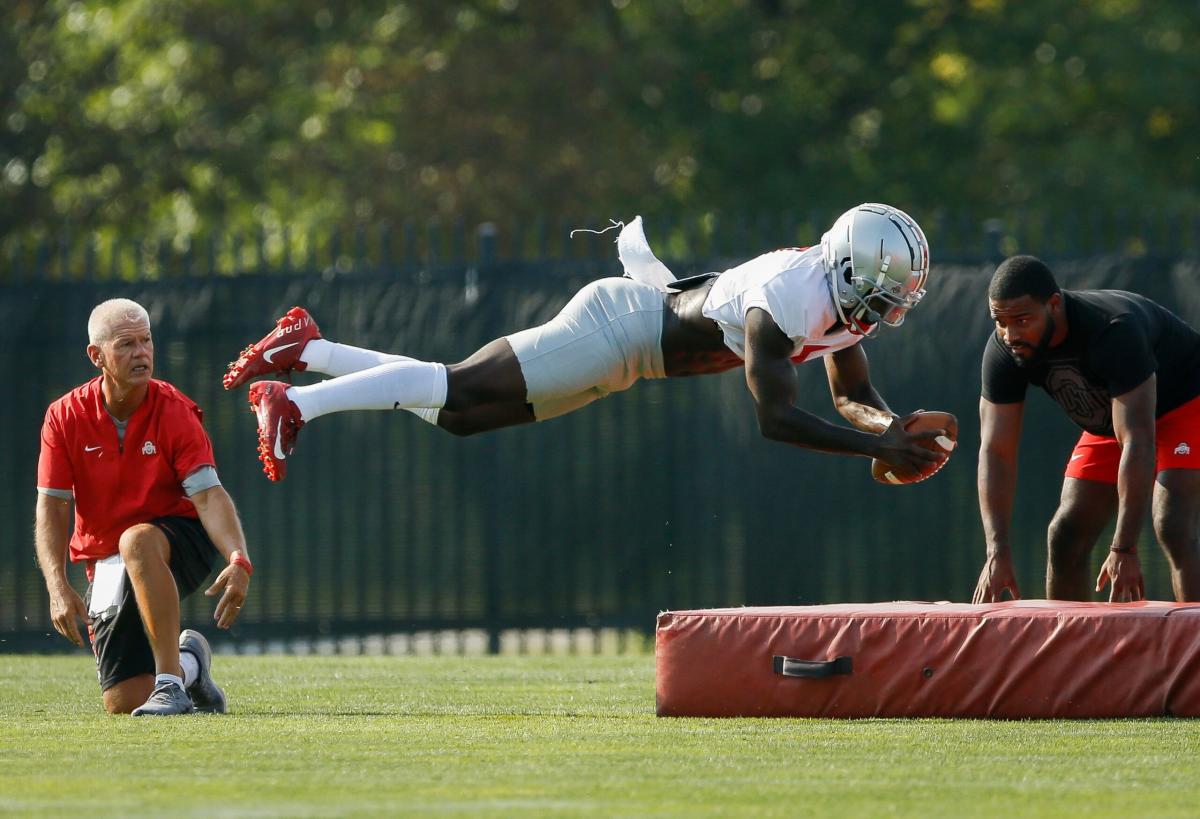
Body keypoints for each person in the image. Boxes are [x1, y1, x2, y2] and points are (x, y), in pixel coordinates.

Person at [224, 203, 948, 482]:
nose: (884, 311)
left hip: (633, 358)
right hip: (619, 326)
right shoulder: (789, 295)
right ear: (853, 267)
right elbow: (775, 417)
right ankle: (294, 402)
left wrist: (892, 428)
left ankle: (308, 352)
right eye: (885, 292)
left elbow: (851, 393)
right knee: (455, 388)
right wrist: (878, 450)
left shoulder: (844, 307)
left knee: (457, 412)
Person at [36, 298, 254, 716]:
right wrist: (56, 585)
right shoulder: (63, 417)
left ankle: (170, 684)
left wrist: (238, 557)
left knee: (136, 540)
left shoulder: (174, 410)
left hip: (179, 541)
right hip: (107, 560)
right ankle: (191, 663)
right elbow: (52, 508)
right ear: (96, 356)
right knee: (123, 702)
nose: (141, 353)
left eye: (146, 341)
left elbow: (208, 495)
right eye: (126, 345)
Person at [972, 255, 1200, 604]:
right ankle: (1070, 658)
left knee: (1173, 526)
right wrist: (996, 550)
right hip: (1116, 416)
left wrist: (1124, 547)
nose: (1010, 333)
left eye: (1022, 319)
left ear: (1054, 305)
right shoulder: (1003, 350)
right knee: (1065, 536)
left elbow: (1138, 439)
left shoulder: (1111, 328)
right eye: (1000, 322)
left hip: (1184, 401)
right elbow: (995, 450)